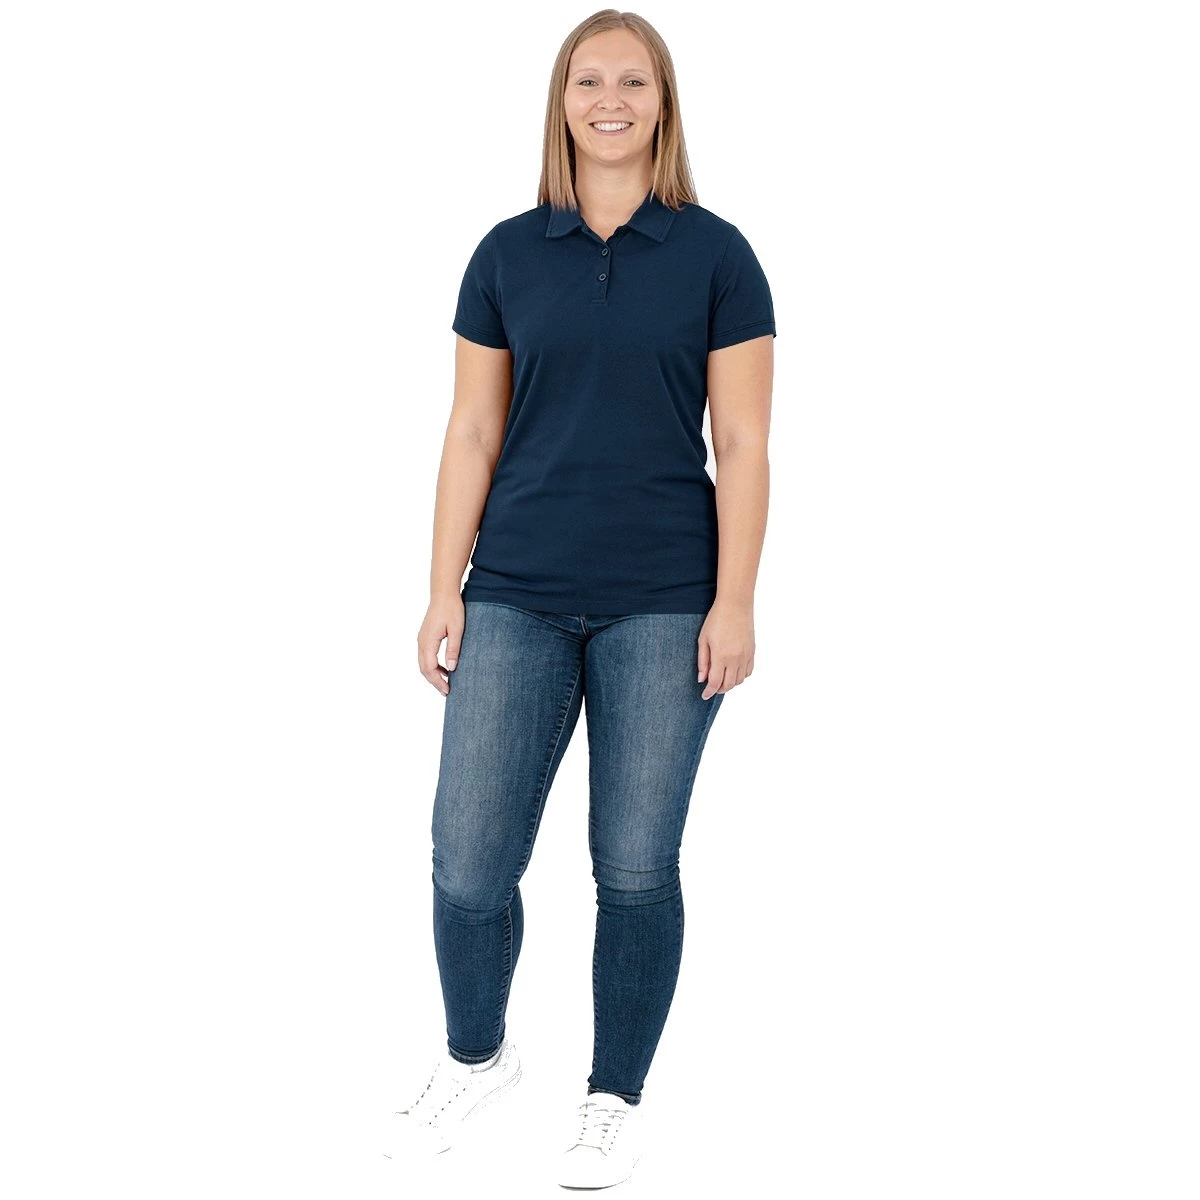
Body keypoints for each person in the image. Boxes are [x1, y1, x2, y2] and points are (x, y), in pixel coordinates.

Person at [386, 9, 775, 1189]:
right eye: (589, 80)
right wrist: (441, 586)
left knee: (636, 864)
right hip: (515, 590)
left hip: (666, 600)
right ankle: (477, 1056)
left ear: (664, 103)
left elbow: (743, 445)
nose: (611, 100)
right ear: (561, 101)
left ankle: (612, 1099)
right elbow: (472, 429)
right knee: (468, 859)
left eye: (634, 82)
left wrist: (736, 602)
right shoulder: (507, 254)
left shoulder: (718, 257)